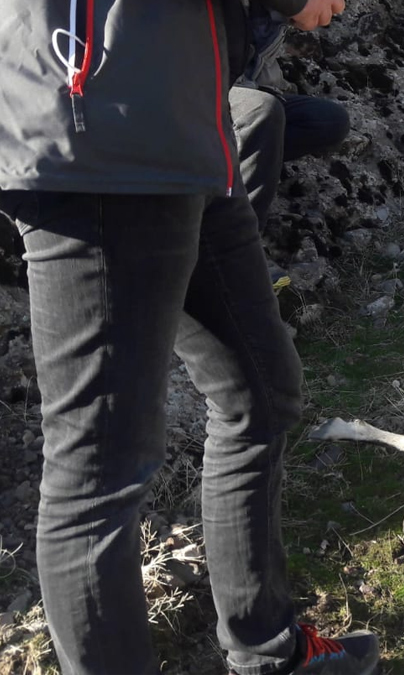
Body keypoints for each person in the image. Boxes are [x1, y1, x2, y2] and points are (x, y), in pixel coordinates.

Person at [0, 2, 379, 674]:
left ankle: (267, 650)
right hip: (99, 123)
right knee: (99, 466)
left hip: (183, 127)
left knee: (260, 393)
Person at [233, 1, 352, 229]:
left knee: (328, 120)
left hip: (247, 97)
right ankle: (239, 237)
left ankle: (229, 175)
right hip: (197, 100)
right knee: (262, 111)